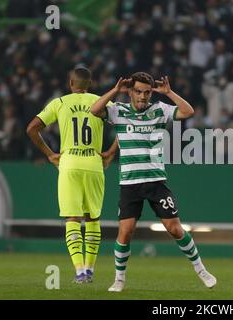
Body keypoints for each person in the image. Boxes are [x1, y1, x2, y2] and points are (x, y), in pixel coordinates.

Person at [90, 71, 217, 292]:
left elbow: (188, 111)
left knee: (175, 229)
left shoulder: (160, 110)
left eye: (147, 92)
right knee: (125, 232)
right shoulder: (118, 111)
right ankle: (119, 279)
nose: (142, 96)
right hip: (130, 183)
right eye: (138, 91)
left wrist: (169, 93)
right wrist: (115, 90)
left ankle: (201, 270)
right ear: (130, 91)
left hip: (156, 181)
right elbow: (94, 110)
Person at [26, 67, 117, 283]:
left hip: (69, 164)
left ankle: (79, 272)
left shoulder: (60, 103)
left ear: (71, 84)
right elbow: (128, 124)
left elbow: (32, 128)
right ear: (90, 84)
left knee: (72, 218)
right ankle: (90, 269)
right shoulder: (102, 101)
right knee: (92, 218)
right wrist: (111, 153)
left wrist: (50, 154)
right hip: (94, 163)